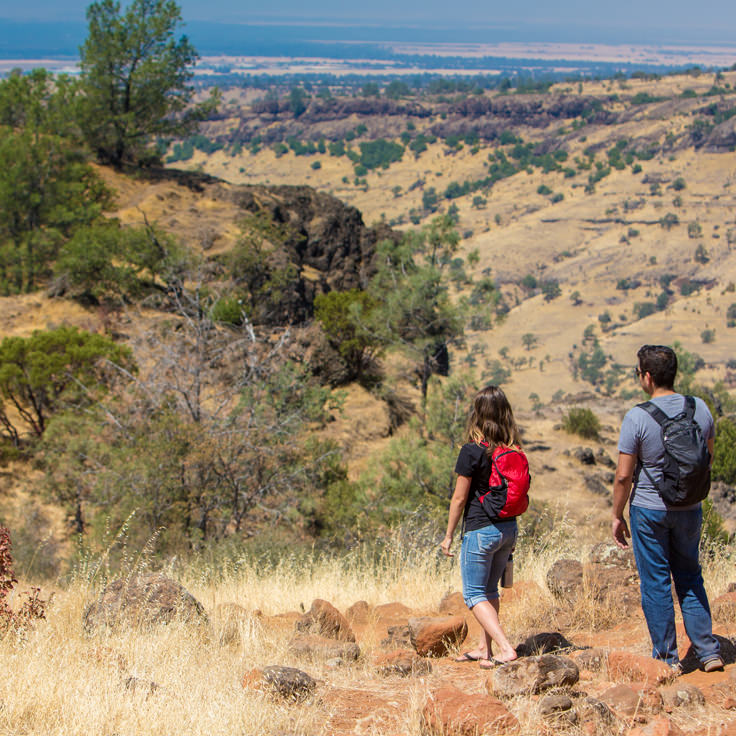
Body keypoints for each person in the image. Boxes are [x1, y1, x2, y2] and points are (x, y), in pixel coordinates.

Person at [612, 344, 723, 672]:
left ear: (647, 377)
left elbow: (623, 476)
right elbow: (708, 458)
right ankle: (708, 651)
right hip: (690, 507)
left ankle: (666, 659)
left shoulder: (637, 416)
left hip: (650, 510)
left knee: (656, 582)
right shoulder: (699, 408)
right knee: (690, 575)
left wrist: (617, 515)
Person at [440, 384, 520, 669]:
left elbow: (459, 498)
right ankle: (485, 649)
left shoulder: (472, 450)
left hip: (480, 531)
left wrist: (448, 535)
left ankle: (505, 648)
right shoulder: (512, 450)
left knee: (473, 594)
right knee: (490, 591)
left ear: (477, 413)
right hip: (507, 529)